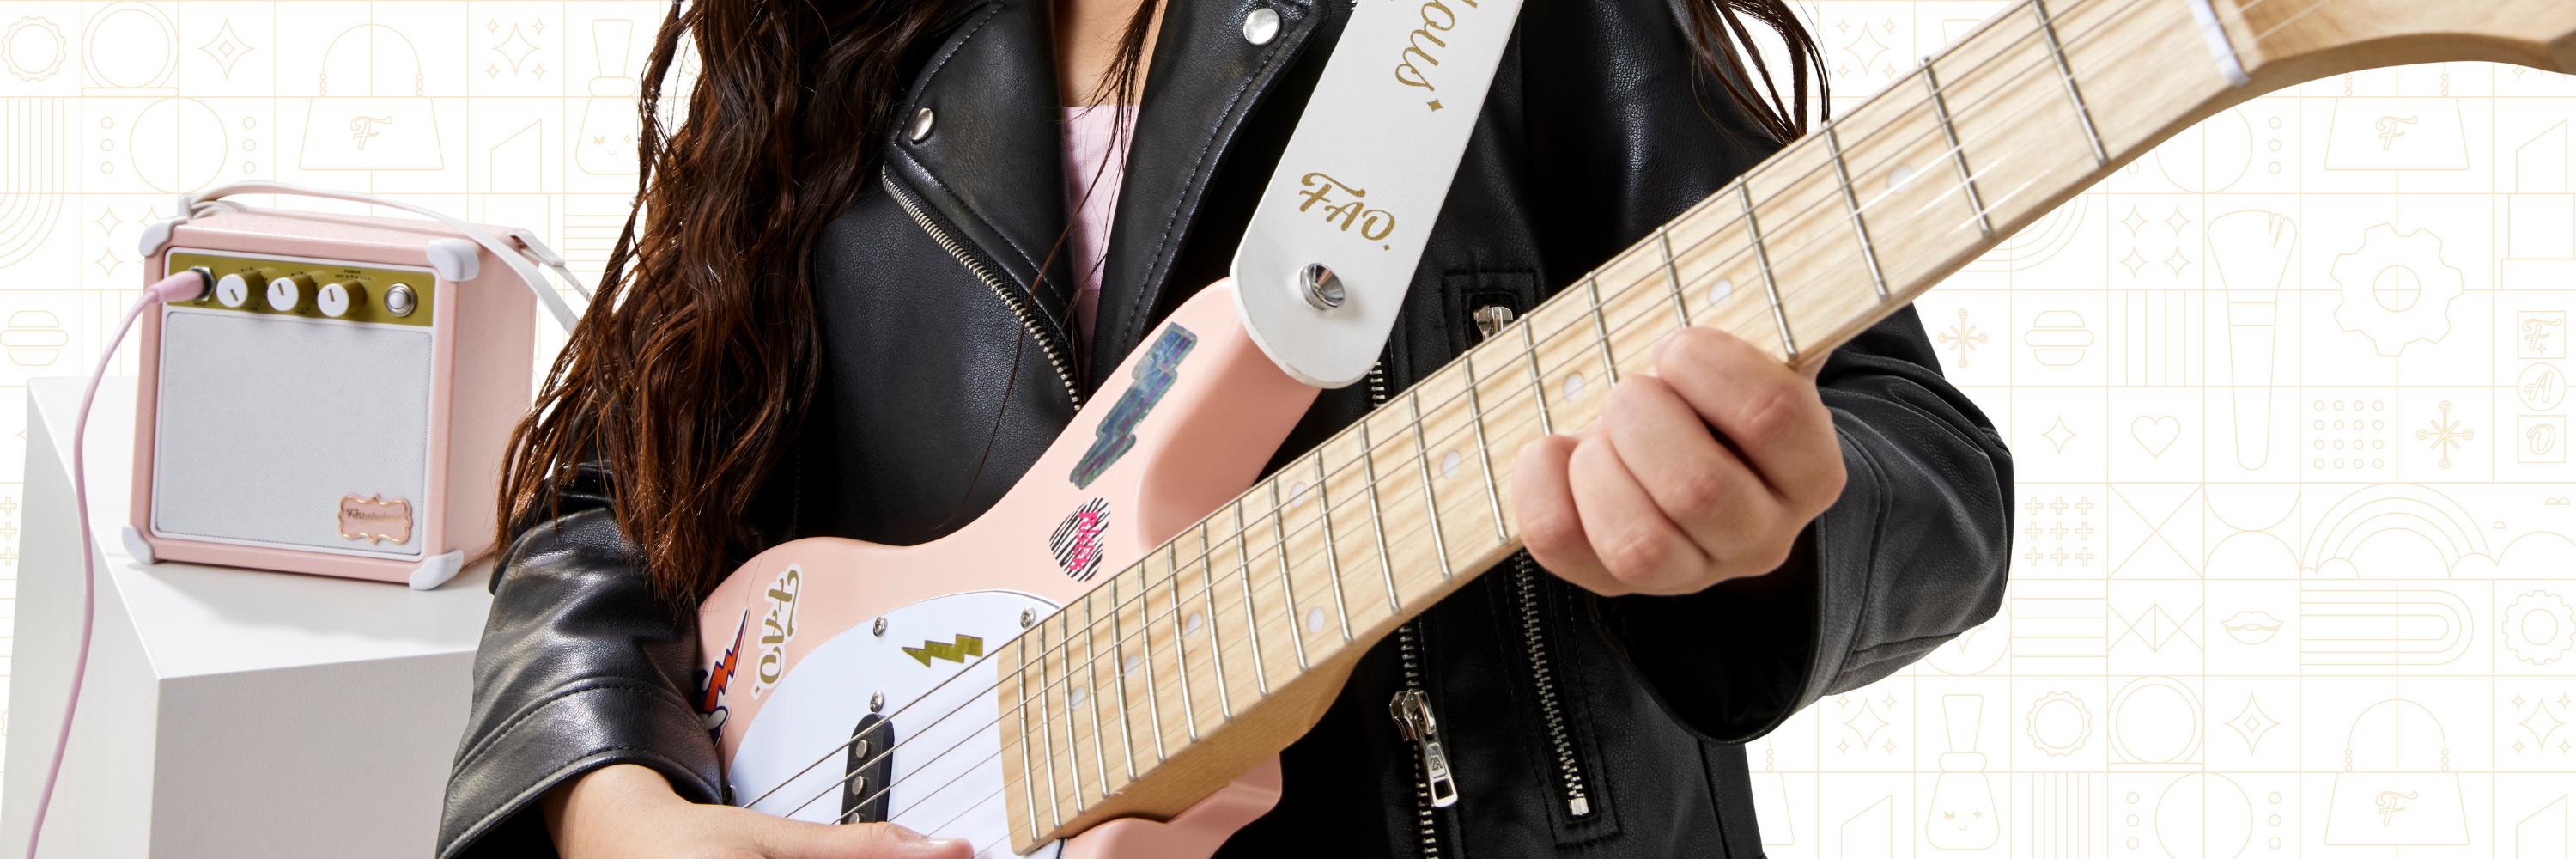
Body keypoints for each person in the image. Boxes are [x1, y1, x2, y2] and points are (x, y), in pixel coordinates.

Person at [438, 0, 2014, 856]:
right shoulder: (815, 37)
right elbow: (613, 489)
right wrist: (610, 807)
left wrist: (1766, 530)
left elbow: (1922, 458)